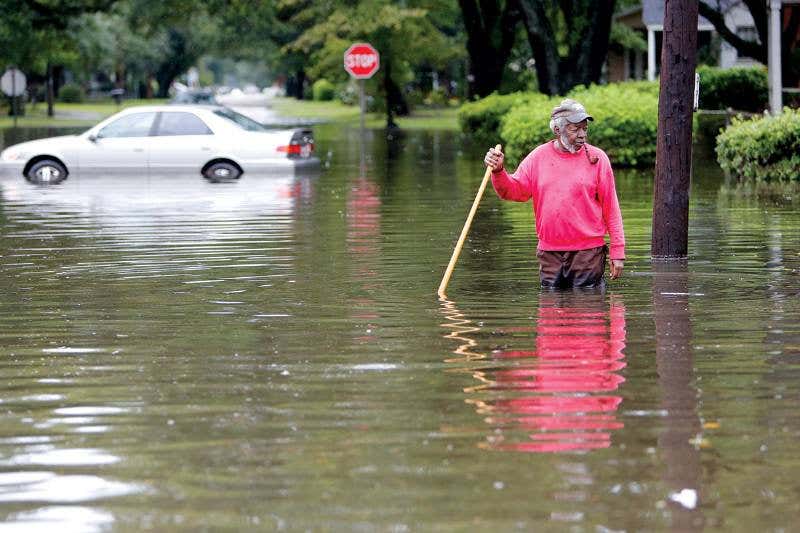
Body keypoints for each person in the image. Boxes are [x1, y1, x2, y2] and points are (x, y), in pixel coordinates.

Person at [484, 98, 625, 289]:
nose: (582, 135)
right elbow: (513, 192)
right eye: (575, 129)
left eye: (585, 129)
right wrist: (498, 171)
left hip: (588, 254)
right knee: (550, 311)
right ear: (558, 131)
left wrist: (618, 252)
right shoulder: (537, 157)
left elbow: (611, 209)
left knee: (588, 310)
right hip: (549, 253)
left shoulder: (598, 159)